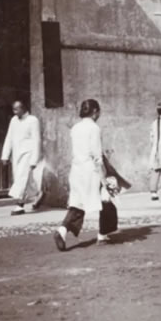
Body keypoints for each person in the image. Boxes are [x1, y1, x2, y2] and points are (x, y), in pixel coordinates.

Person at [53, 99, 115, 251]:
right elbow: (96, 156)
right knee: (106, 200)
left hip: (76, 170)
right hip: (90, 171)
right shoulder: (94, 128)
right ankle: (103, 234)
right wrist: (104, 178)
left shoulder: (75, 128)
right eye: (98, 112)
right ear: (94, 112)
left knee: (78, 204)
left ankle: (62, 230)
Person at [1, 100, 43, 216]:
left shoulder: (33, 120)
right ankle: (38, 193)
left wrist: (34, 159)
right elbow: (9, 137)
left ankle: (19, 205)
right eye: (13, 109)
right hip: (16, 154)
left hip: (28, 154)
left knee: (21, 178)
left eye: (16, 109)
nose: (14, 112)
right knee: (24, 179)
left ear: (23, 108)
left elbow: (36, 140)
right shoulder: (14, 120)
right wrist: (5, 155)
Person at [149, 102, 161, 201]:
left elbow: (151, 138)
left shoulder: (154, 123)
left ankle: (153, 192)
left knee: (156, 170)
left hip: (155, 149)